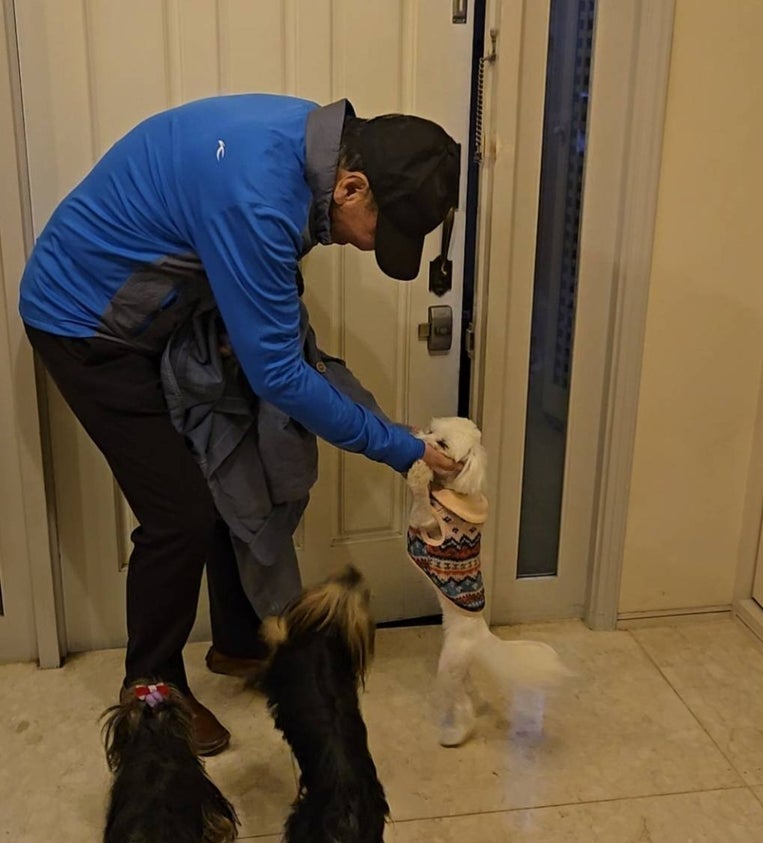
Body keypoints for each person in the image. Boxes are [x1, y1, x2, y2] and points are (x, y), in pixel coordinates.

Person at [19, 94, 461, 755]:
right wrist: (402, 449)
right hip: (83, 322)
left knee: (229, 464)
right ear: (351, 186)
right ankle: (151, 692)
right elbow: (279, 375)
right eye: (381, 226)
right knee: (178, 514)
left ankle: (237, 641)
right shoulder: (258, 193)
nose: (371, 243)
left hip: (151, 307)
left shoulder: (311, 147)